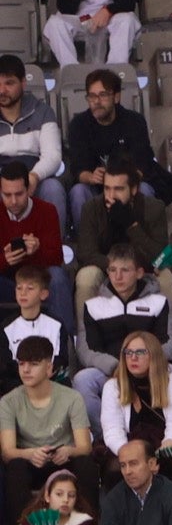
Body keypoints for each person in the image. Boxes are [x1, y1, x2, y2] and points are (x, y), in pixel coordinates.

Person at [75, 245, 172, 429]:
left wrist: (144, 361)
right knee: (82, 380)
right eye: (112, 270)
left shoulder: (159, 302)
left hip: (150, 368)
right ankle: (104, 435)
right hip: (110, 370)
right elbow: (85, 350)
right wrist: (115, 366)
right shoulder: (93, 306)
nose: (118, 277)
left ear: (139, 273)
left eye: (125, 270)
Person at [1, 335, 94, 525]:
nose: (26, 370)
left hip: (63, 461)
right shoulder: (8, 401)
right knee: (15, 467)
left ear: (49, 368)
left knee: (85, 463)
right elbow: (7, 452)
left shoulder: (72, 397)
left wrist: (69, 451)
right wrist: (30, 454)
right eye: (21, 364)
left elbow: (85, 446)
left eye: (33, 364)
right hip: (30, 462)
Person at [100, 330, 172, 502]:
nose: (133, 357)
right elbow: (112, 430)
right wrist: (131, 455)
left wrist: (166, 447)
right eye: (128, 352)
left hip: (164, 446)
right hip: (128, 445)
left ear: (154, 355)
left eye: (140, 352)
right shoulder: (113, 386)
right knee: (114, 469)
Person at [73, 160, 172, 329]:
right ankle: (86, 336)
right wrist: (119, 268)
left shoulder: (154, 208)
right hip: (106, 268)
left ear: (133, 189)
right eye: (107, 188)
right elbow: (86, 253)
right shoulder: (92, 208)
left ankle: (169, 338)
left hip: (142, 269)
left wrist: (132, 226)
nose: (111, 195)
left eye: (118, 189)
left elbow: (164, 257)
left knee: (166, 276)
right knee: (86, 277)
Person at [64, 72, 156, 232]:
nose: (96, 102)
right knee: (78, 192)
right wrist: (91, 177)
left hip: (127, 185)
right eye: (92, 96)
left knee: (145, 190)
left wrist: (119, 181)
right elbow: (78, 170)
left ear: (116, 97)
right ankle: (87, 242)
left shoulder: (134, 122)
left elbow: (143, 165)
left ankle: (143, 242)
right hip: (95, 189)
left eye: (103, 95)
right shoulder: (78, 125)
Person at [0, 61, 67, 243]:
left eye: (9, 83)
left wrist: (34, 177)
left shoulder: (42, 111)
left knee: (53, 188)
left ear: (23, 83)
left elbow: (53, 156)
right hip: (3, 180)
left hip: (35, 177)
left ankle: (53, 250)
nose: (2, 90)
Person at [0, 161, 69, 317]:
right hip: (8, 282)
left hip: (39, 282)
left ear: (29, 189)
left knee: (58, 277)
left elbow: (57, 259)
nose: (13, 201)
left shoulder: (47, 210)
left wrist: (37, 250)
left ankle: (64, 331)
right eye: (7, 195)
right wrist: (5, 259)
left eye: (19, 194)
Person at [0, 265, 66, 388]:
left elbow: (60, 360)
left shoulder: (56, 325)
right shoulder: (6, 327)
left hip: (50, 385)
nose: (23, 293)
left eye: (30, 288)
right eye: (19, 288)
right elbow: (6, 365)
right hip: (16, 387)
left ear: (43, 294)